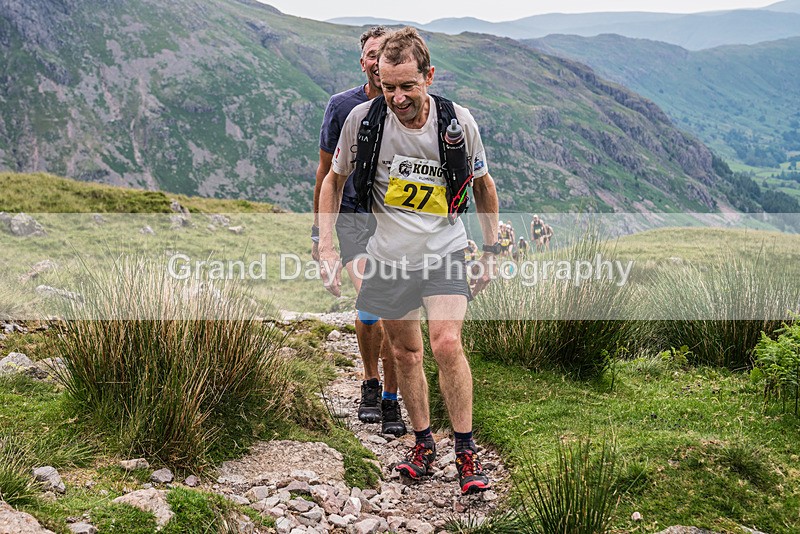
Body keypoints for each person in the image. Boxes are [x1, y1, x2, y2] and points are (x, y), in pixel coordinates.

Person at [318, 27, 500, 495]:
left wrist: (493, 250)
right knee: (405, 352)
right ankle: (423, 443)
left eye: (407, 86)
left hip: (444, 250)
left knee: (444, 343)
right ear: (376, 77)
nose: (397, 97)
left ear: (429, 76)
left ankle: (465, 448)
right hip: (387, 258)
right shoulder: (363, 120)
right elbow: (332, 182)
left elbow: (483, 186)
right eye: (387, 85)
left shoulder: (458, 123)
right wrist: (326, 248)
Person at [311, 26, 406, 437]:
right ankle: (371, 382)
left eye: (382, 54)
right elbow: (325, 173)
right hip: (353, 218)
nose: (375, 61)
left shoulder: (405, 105)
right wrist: (320, 236)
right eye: (370, 54)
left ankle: (389, 397)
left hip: (396, 223)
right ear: (363, 60)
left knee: (390, 312)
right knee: (371, 308)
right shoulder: (341, 107)